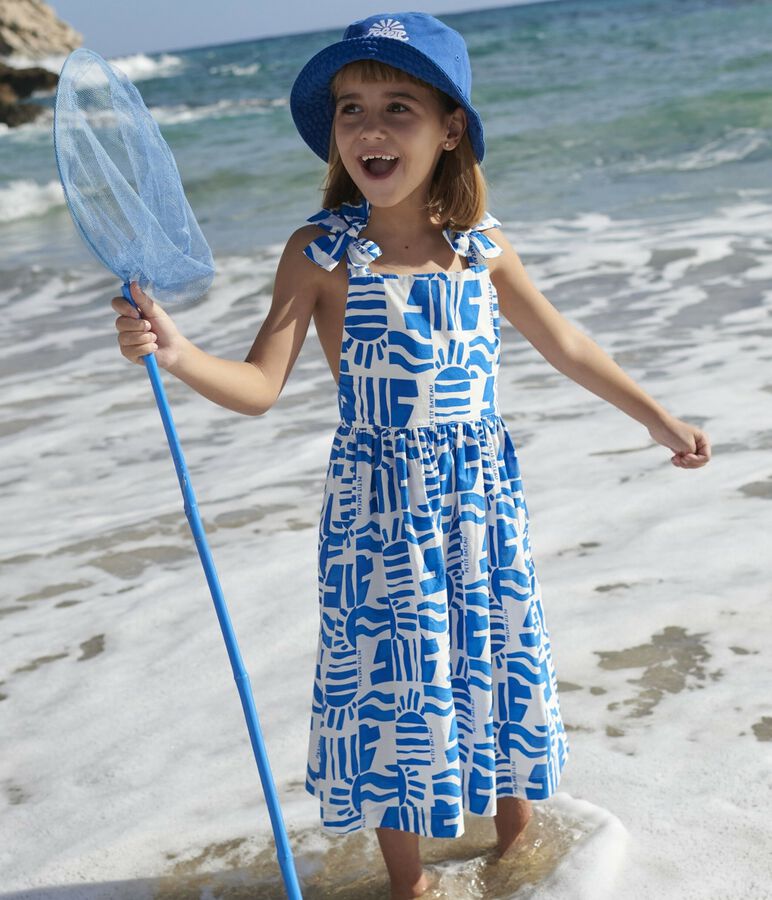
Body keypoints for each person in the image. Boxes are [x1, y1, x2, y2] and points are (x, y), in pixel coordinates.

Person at [111, 12, 711, 899]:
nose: (370, 129)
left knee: (491, 662)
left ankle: (519, 857)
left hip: (480, 503)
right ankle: (410, 886)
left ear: (450, 127)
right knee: (396, 692)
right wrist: (172, 347)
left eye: (399, 107)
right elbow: (259, 384)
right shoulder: (319, 254)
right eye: (351, 110)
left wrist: (656, 418)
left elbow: (569, 346)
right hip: (378, 515)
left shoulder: (483, 248)